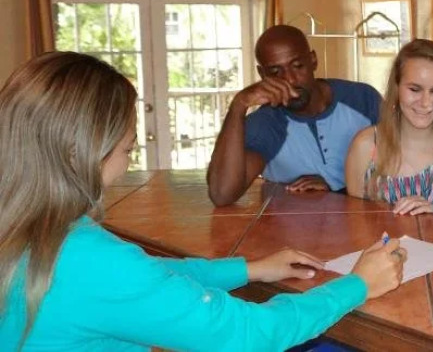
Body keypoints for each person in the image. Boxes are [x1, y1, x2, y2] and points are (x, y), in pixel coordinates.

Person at [0, 52, 406, 350]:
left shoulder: (31, 229)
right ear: (82, 153)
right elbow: (250, 334)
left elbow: (147, 274)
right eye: (128, 149)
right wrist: (357, 285)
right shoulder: (91, 257)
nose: (128, 162)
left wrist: (249, 269)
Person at [208, 25, 381, 206]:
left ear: (313, 60)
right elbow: (222, 194)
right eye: (275, 72)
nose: (290, 79)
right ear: (262, 74)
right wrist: (238, 105)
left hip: (369, 219)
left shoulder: (362, 99)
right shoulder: (265, 124)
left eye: (298, 66)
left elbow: (399, 164)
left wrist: (336, 189)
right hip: (296, 223)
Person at [345, 39, 433, 216]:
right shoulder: (365, 145)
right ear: (396, 87)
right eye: (415, 89)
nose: (425, 103)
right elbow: (356, 224)